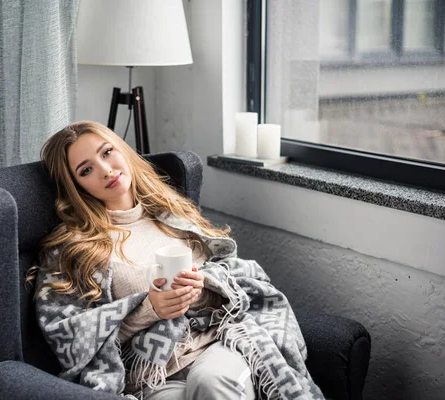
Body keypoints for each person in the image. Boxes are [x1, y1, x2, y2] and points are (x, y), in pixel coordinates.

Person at [27, 121, 324, 400]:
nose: (106, 170)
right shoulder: (71, 250)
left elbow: (239, 274)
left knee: (211, 383)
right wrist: (148, 309)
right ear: (75, 186)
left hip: (216, 343)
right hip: (149, 373)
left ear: (123, 150)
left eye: (107, 152)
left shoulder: (172, 214)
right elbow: (65, 333)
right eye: (86, 170)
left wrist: (205, 288)